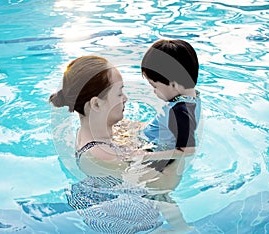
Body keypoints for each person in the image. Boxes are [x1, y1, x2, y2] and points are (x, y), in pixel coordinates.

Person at [49, 55, 192, 233]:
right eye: (119, 93)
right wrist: (182, 151)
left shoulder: (104, 128)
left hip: (115, 192)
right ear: (96, 104)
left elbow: (148, 132)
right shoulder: (99, 154)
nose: (125, 98)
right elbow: (162, 185)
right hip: (118, 217)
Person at [139, 39, 201, 173]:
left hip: (155, 152)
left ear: (174, 85)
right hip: (157, 139)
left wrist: (146, 156)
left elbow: (188, 150)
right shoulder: (193, 97)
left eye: (155, 86)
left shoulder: (180, 110)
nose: (154, 91)